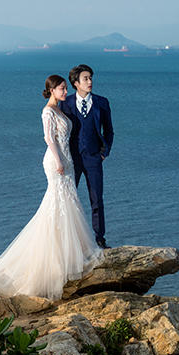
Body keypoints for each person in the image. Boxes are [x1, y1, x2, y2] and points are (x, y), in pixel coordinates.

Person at [0, 76, 102, 300]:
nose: (66, 90)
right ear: (51, 90)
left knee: (69, 203)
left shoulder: (59, 110)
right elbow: (49, 138)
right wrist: (58, 161)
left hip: (67, 162)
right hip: (56, 162)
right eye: (62, 88)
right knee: (58, 204)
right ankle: (54, 258)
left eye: (66, 87)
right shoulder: (47, 112)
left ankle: (69, 252)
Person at [61, 63, 114, 248]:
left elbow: (109, 131)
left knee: (97, 199)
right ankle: (70, 239)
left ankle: (100, 238)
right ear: (76, 83)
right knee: (69, 199)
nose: (90, 81)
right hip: (73, 159)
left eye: (91, 78)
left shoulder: (102, 102)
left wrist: (103, 153)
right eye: (86, 78)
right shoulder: (66, 103)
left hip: (93, 159)